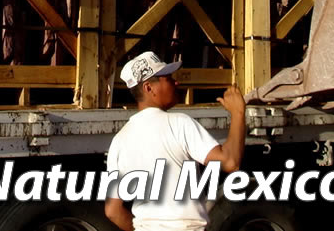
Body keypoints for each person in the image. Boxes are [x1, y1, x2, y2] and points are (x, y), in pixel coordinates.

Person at [104, 51, 246, 231]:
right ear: (149, 88)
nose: (176, 82)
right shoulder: (179, 123)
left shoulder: (120, 140)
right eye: (168, 78)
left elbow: (112, 211)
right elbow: (231, 162)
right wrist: (238, 112)